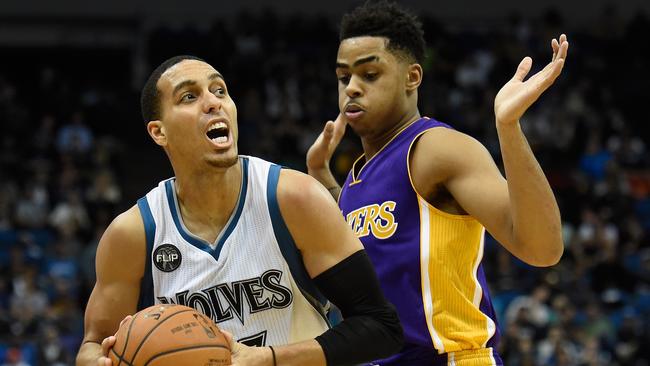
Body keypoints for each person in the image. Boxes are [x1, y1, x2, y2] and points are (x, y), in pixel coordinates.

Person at [76, 55, 403, 366]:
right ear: (158, 131)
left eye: (219, 90)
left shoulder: (294, 198)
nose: (213, 102)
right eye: (189, 97)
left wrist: (269, 359)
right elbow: (94, 344)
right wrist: (105, 360)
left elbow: (381, 327)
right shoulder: (133, 235)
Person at [306, 2, 567, 365]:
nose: (351, 88)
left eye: (369, 74)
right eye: (343, 76)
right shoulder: (358, 175)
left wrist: (509, 130)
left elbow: (543, 249)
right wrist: (321, 173)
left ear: (412, 77)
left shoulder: (436, 149)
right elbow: (362, 230)